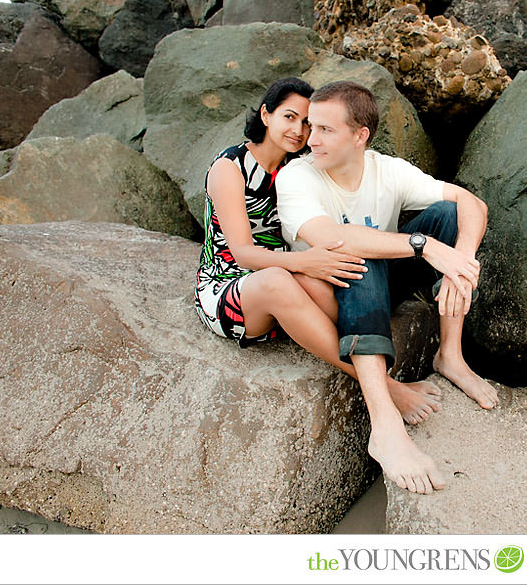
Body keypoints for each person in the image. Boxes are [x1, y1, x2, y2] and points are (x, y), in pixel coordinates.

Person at [276, 81, 499, 495]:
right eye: (311, 126)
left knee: (448, 215)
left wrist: (459, 262)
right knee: (356, 252)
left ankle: (450, 355)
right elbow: (331, 238)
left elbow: (472, 204)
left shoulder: (386, 169)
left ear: (360, 136)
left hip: (384, 282)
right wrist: (425, 247)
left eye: (325, 129)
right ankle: (385, 427)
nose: (310, 139)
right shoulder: (296, 177)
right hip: (334, 288)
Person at [194, 77, 444, 424]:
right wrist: (306, 261)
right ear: (266, 115)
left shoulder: (299, 168)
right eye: (289, 117)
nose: (299, 130)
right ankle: (386, 387)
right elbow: (242, 253)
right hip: (233, 283)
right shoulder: (230, 167)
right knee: (278, 282)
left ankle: (366, 342)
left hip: (290, 271)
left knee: (332, 278)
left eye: (307, 122)